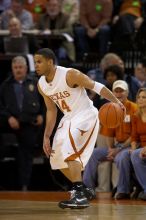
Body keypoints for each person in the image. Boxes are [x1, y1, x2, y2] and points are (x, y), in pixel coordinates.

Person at [34, 48, 125, 209]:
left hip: (85, 115)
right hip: (68, 118)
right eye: (35, 62)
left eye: (39, 62)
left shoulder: (70, 74)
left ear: (50, 62)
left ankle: (78, 195)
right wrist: (46, 136)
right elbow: (51, 110)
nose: (36, 65)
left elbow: (96, 86)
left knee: (70, 150)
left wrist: (117, 102)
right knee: (56, 159)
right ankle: (83, 189)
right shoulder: (41, 85)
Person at [83, 80, 138, 199]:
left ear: (127, 93)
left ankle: (123, 190)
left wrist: (117, 150)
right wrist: (111, 149)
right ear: (112, 93)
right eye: (116, 91)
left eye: (121, 91)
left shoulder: (134, 108)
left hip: (130, 145)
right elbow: (108, 133)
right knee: (92, 154)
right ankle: (87, 189)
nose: (118, 94)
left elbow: (134, 135)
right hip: (116, 146)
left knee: (121, 157)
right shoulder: (109, 108)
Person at [0, 56, 44, 190]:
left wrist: (41, 115)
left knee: (26, 153)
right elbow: (0, 106)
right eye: (15, 68)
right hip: (9, 124)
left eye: (20, 67)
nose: (18, 70)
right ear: (12, 69)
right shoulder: (5, 85)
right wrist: (9, 118)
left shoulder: (35, 83)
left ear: (26, 68)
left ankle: (24, 185)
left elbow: (45, 103)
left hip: (29, 124)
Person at [130, 88, 146, 200]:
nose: (140, 100)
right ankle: (124, 189)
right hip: (141, 147)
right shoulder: (136, 116)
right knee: (129, 154)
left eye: (144, 97)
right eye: (139, 97)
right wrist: (133, 147)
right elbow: (134, 137)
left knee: (135, 155)